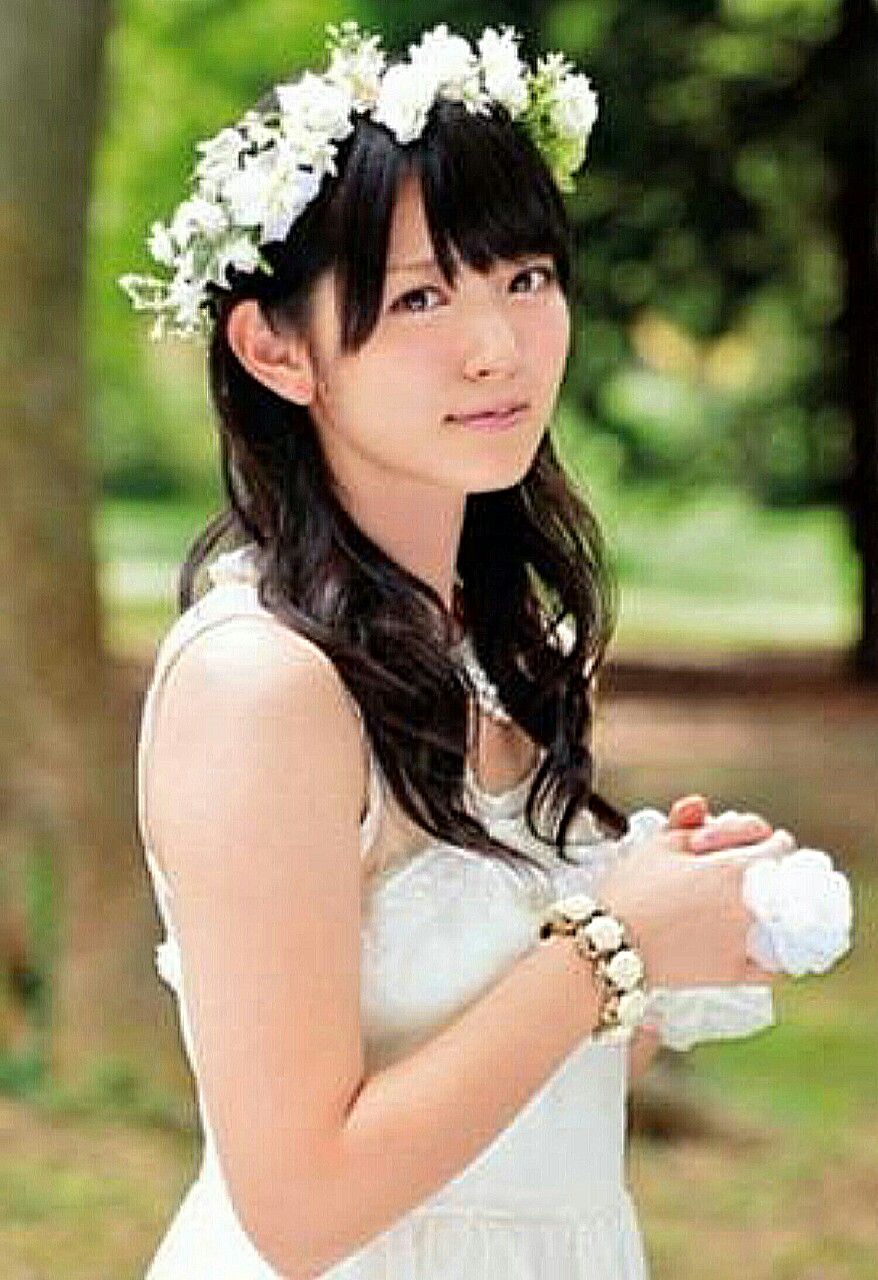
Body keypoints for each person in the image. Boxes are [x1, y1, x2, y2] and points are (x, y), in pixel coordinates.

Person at [126, 21, 795, 1279]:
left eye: (525, 277)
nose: (496, 346)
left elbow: (521, 1112)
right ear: (275, 347)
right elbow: (299, 1205)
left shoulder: (502, 644)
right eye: (421, 296)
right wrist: (606, 941)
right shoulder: (262, 682)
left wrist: (676, 935)